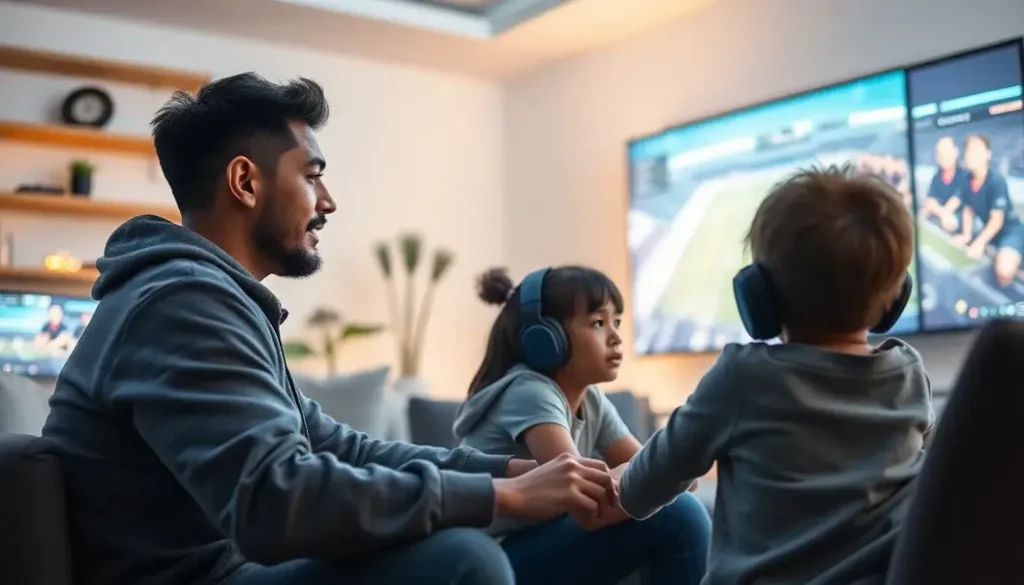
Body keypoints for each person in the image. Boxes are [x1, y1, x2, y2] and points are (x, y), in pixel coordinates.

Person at [41, 73, 620, 585]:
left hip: (240, 567)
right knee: (463, 561)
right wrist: (503, 496)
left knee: (664, 518)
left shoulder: (210, 298)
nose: (329, 201)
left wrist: (511, 470)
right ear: (246, 182)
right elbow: (272, 500)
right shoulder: (180, 303)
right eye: (313, 176)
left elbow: (341, 447)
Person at [618, 166, 934, 585]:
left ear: (759, 295)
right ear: (896, 295)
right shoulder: (908, 374)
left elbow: (639, 491)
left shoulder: (741, 379)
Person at [453, 266, 711, 585]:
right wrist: (664, 471)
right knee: (677, 515)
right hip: (492, 559)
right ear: (546, 339)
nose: (616, 336)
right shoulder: (528, 392)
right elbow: (590, 507)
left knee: (672, 507)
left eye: (616, 321)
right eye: (598, 323)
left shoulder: (591, 399)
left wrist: (664, 471)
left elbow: (655, 472)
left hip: (537, 542)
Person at [952, 133, 1024, 287]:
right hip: (991, 234)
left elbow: (996, 220)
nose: (971, 155)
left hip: (1009, 231)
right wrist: (966, 235)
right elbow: (968, 210)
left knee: (1004, 272)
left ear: (988, 154)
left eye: (977, 150)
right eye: (969, 151)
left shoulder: (996, 180)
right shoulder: (967, 180)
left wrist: (978, 243)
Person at [921, 136, 969, 233]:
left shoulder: (965, 175)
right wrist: (941, 213)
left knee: (950, 222)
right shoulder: (937, 177)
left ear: (956, 152)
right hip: (942, 215)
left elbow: (956, 200)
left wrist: (944, 214)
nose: (943, 156)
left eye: (946, 151)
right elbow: (930, 201)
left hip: (961, 217)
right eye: (939, 153)